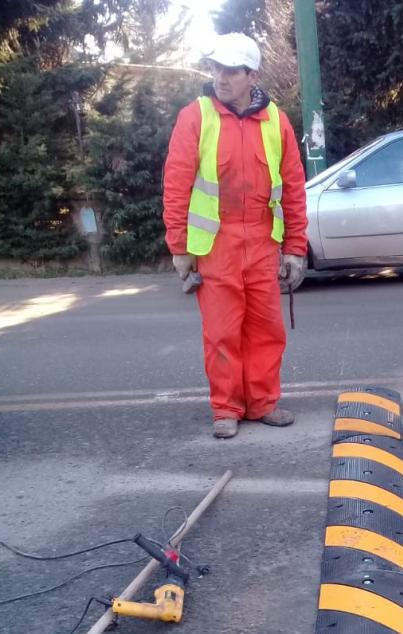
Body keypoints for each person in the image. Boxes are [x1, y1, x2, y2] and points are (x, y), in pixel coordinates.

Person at [163, 33, 308, 439]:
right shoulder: (197, 116)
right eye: (215, 68)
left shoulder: (275, 120)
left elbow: (293, 186)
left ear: (252, 75)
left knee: (266, 329)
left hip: (262, 244)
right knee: (223, 331)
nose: (220, 78)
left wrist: (295, 247)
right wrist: (179, 248)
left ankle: (262, 403)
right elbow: (176, 184)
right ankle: (226, 408)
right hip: (217, 246)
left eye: (231, 70)